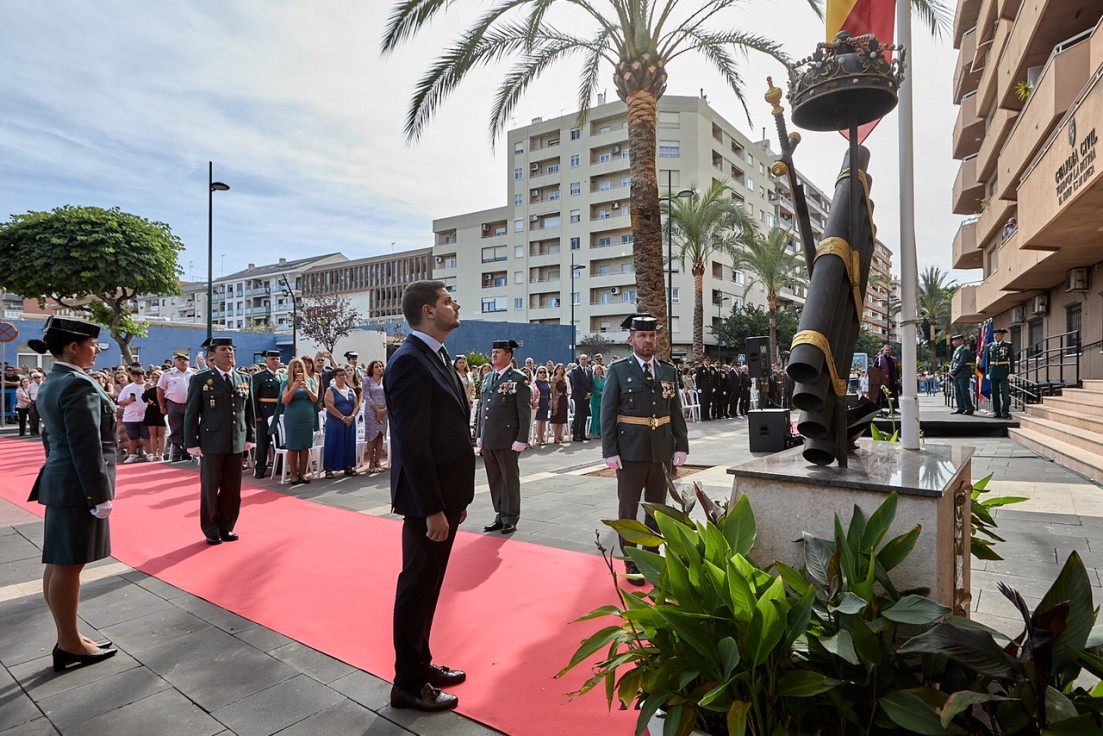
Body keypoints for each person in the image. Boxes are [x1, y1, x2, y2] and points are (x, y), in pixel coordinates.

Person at [383, 280, 474, 713]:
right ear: (428, 311)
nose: (455, 305)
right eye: (447, 301)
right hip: (427, 503)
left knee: (429, 587)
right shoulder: (409, 362)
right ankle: (407, 683)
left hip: (444, 496)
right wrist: (434, 509)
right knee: (417, 588)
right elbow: (413, 444)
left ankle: (421, 663)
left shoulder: (434, 356)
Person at [26, 317, 118, 672]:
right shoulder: (78, 384)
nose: (96, 350)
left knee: (59, 562)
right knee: (68, 564)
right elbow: (87, 445)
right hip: (78, 483)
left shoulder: (55, 380)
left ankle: (70, 637)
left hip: (62, 477)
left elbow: (51, 438)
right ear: (74, 347)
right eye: (92, 344)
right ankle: (69, 642)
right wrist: (98, 494)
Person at [601, 314, 689, 585]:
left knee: (656, 508)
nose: (647, 340)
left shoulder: (668, 371)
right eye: (641, 336)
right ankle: (631, 562)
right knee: (628, 509)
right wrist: (610, 451)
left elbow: (676, 412)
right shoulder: (618, 370)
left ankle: (651, 556)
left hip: (661, 450)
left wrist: (681, 444)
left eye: (651, 335)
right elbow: (607, 413)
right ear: (631, 340)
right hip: (630, 452)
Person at [183, 337, 256, 545]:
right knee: (210, 487)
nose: (229, 353)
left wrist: (250, 436)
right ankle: (211, 528)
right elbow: (191, 413)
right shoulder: (201, 379)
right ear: (212, 355)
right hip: (211, 440)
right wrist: (192, 442)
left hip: (236, 440)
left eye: (231, 349)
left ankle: (227, 526)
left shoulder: (244, 378)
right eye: (224, 349)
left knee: (232, 488)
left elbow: (249, 411)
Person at [475, 339, 531, 535]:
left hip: (508, 438)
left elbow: (524, 411)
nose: (494, 355)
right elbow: (482, 407)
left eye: (498, 352)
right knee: (495, 478)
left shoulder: (518, 378)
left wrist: (522, 438)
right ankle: (500, 514)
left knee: (509, 479)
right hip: (490, 437)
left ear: (508, 355)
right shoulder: (488, 377)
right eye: (493, 352)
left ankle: (511, 516)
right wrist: (479, 434)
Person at [273, 357, 319, 485]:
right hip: (293, 417)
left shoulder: (309, 380)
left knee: (305, 446)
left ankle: (303, 473)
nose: (298, 369)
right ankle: (293, 474)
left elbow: (315, 399)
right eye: (295, 367)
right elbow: (285, 400)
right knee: (293, 446)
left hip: (307, 417)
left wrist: (306, 388)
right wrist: (294, 387)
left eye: (300, 367)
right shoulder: (286, 382)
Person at [322, 365, 361, 478]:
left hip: (349, 421)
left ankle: (348, 466)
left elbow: (356, 404)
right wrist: (342, 417)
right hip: (335, 421)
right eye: (340, 375)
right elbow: (329, 406)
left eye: (344, 375)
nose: (342, 377)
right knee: (333, 443)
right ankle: (329, 469)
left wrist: (352, 416)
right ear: (335, 377)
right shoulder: (330, 390)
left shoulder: (350, 390)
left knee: (349, 443)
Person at [251, 350, 282, 479]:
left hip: (279, 413)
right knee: (263, 443)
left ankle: (279, 467)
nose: (275, 361)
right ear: (266, 361)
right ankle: (260, 468)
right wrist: (257, 414)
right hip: (264, 413)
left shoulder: (283, 377)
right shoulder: (259, 377)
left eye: (277, 359)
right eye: (272, 359)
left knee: (280, 441)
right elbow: (253, 397)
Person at [157, 353, 194, 462]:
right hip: (174, 404)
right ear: (175, 361)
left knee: (189, 428)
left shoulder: (193, 373)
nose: (183, 362)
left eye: (185, 360)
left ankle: (188, 452)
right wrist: (162, 405)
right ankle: (177, 453)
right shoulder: (168, 374)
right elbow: (160, 389)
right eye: (180, 359)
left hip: (190, 404)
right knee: (176, 429)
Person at [117, 367, 152, 463]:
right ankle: (132, 454)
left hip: (146, 416)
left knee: (147, 437)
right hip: (130, 417)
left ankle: (150, 454)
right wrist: (128, 401)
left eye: (139, 376)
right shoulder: (128, 388)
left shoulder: (148, 386)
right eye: (134, 376)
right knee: (132, 437)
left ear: (143, 375)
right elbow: (120, 401)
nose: (137, 378)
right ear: (131, 376)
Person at [362, 359, 388, 472]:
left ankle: (378, 461)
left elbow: (389, 395)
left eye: (381, 366)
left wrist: (384, 410)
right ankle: (371, 463)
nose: (379, 368)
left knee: (380, 435)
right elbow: (366, 396)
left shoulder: (385, 380)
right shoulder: (367, 380)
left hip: (384, 410)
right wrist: (377, 410)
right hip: (371, 410)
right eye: (376, 367)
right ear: (372, 369)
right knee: (372, 436)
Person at [986, 327, 1015, 419]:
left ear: (1002, 336)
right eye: (995, 334)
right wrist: (987, 372)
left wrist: (1011, 372)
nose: (996, 336)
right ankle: (996, 411)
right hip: (993, 371)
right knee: (994, 393)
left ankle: (1005, 411)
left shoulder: (1008, 345)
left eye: (998, 334)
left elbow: (1012, 359)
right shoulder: (990, 346)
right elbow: (987, 360)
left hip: (1003, 371)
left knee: (1005, 393)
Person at [142, 371, 167, 460]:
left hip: (161, 411)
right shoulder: (149, 388)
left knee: (161, 434)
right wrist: (146, 389)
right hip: (151, 411)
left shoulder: (165, 388)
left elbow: (166, 399)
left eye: (158, 377)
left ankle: (161, 454)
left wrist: (156, 402)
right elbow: (144, 399)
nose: (156, 379)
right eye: (154, 377)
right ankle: (154, 454)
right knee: (152, 434)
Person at [568, 354, 594, 441]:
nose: (583, 361)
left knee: (584, 416)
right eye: (582, 359)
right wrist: (585, 393)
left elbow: (591, 383)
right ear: (579, 360)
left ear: (587, 360)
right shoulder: (575, 371)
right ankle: (575, 435)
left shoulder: (589, 370)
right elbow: (576, 384)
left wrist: (590, 393)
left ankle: (582, 434)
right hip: (579, 396)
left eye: (585, 359)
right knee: (578, 416)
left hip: (587, 397)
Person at [949, 334, 975, 415]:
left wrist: (954, 370)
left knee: (964, 391)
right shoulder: (956, 351)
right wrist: (950, 369)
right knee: (958, 392)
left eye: (954, 341)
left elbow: (961, 362)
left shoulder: (964, 350)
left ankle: (969, 408)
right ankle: (961, 407)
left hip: (963, 373)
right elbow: (953, 362)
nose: (953, 342)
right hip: (957, 374)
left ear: (960, 341)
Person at [549, 363, 569, 444]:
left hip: (563, 400)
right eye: (559, 368)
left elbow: (566, 391)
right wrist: (553, 401)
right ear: (556, 370)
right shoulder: (554, 379)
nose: (560, 370)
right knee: (556, 419)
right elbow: (553, 391)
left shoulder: (564, 379)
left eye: (562, 368)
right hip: (557, 400)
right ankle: (556, 437)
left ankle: (560, 436)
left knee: (562, 419)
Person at [877, 345, 900, 413]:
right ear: (883, 351)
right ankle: (880, 409)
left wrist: (897, 378)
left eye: (889, 350)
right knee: (882, 395)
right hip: (883, 380)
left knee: (893, 394)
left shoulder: (894, 359)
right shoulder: (880, 359)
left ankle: (892, 409)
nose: (887, 351)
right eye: (886, 350)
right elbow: (876, 369)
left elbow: (897, 370)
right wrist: (882, 375)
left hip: (892, 379)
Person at [532, 366, 551, 445]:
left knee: (544, 420)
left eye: (544, 372)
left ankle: (542, 437)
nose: (542, 374)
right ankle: (538, 438)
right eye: (540, 372)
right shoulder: (536, 382)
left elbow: (548, 393)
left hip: (545, 402)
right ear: (537, 373)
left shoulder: (546, 382)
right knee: (539, 421)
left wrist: (549, 402)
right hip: (539, 402)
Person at [589, 364, 606, 438]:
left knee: (601, 416)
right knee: (595, 416)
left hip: (603, 400)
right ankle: (595, 432)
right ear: (595, 371)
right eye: (597, 369)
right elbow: (591, 389)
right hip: (595, 399)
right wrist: (599, 393)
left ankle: (601, 431)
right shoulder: (593, 379)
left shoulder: (604, 379)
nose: (598, 371)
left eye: (599, 369)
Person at [27, 371, 43, 435]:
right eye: (35, 377)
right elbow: (27, 394)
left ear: (41, 377)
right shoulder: (30, 386)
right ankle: (34, 432)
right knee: (33, 418)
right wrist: (29, 401)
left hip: (43, 402)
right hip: (34, 402)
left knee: (46, 418)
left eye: (38, 377)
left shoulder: (45, 384)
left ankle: (47, 432)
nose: (37, 379)